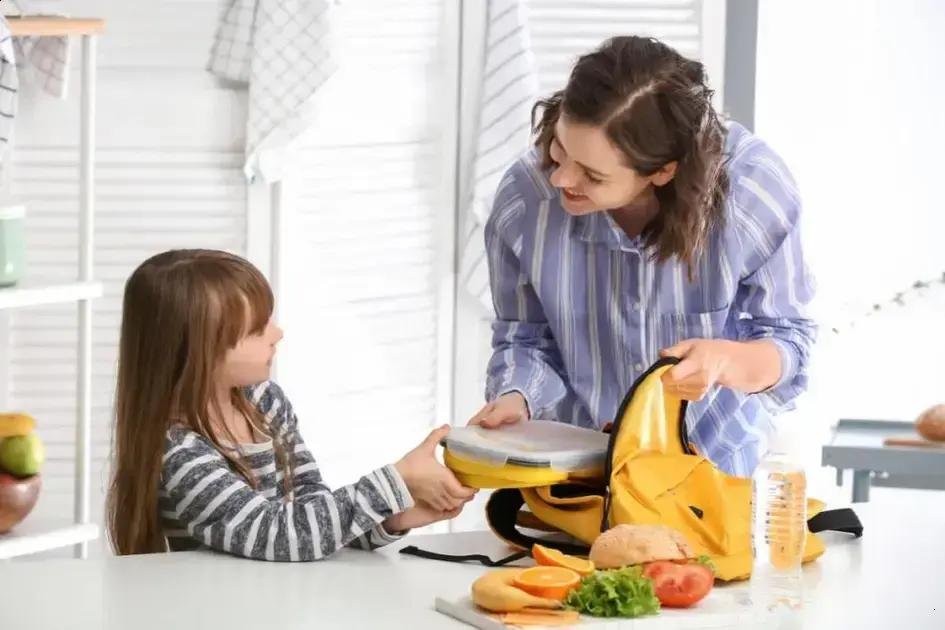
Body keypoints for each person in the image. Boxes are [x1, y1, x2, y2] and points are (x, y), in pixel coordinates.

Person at [468, 36, 815, 476]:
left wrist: (724, 361)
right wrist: (516, 397)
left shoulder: (752, 194)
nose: (561, 179)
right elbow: (525, 337)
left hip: (713, 469)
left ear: (663, 171)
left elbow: (789, 342)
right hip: (576, 470)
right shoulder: (524, 199)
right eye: (560, 149)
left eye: (592, 174)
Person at [107, 249, 474, 559]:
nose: (277, 333)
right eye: (257, 329)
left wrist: (396, 515)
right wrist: (396, 480)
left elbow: (311, 514)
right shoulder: (179, 453)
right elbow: (277, 535)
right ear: (198, 352)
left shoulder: (264, 403)